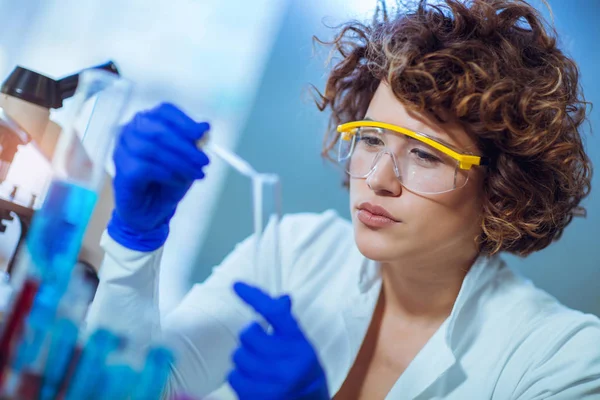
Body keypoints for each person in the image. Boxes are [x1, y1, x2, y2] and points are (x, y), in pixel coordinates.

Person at [86, 0, 600, 399]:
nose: (376, 179)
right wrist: (135, 240)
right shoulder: (295, 250)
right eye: (371, 139)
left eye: (425, 156)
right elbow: (132, 390)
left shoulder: (560, 359)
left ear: (504, 188)